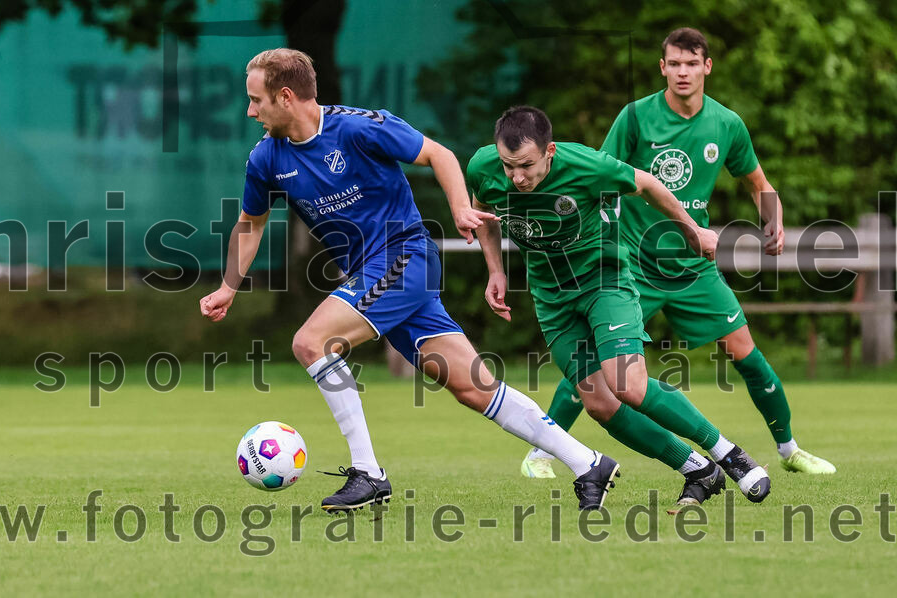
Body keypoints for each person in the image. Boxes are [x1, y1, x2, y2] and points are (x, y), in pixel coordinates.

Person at [200, 48, 620, 512]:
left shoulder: (359, 128)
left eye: (255, 100)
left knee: (311, 343)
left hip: (405, 258)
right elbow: (251, 224)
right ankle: (588, 462)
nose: (250, 111)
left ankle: (368, 472)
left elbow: (439, 154)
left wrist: (460, 208)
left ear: (285, 96)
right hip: (375, 275)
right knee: (474, 388)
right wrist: (228, 287)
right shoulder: (266, 158)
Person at [526, 28, 835, 478]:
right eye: (674, 64)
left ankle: (790, 450)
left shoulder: (726, 124)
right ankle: (540, 454)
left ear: (707, 66)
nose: (682, 72)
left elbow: (757, 183)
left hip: (693, 266)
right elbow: (598, 177)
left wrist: (773, 219)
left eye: (691, 63)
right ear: (662, 68)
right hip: (632, 264)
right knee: (594, 364)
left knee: (746, 353)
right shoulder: (635, 118)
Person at [468, 105, 772, 508]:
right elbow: (484, 212)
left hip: (604, 282)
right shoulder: (482, 167)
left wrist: (692, 230)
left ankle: (728, 454)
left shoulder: (586, 165)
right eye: (509, 166)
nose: (517, 177)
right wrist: (496, 270)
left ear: (549, 151)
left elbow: (647, 184)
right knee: (599, 404)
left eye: (526, 165)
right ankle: (698, 470)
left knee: (628, 385)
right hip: (552, 299)